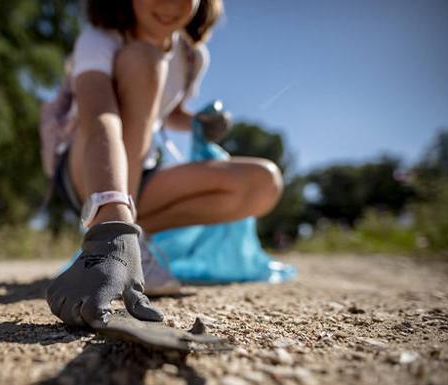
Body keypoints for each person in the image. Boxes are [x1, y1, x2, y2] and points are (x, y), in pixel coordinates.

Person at [46, 0, 283, 327]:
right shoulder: (99, 38)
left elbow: (166, 110)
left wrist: (197, 121)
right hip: (88, 169)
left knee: (262, 183)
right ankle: (113, 230)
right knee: (145, 61)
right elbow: (100, 117)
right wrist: (109, 215)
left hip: (142, 169)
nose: (170, 2)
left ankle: (134, 240)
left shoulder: (191, 55)